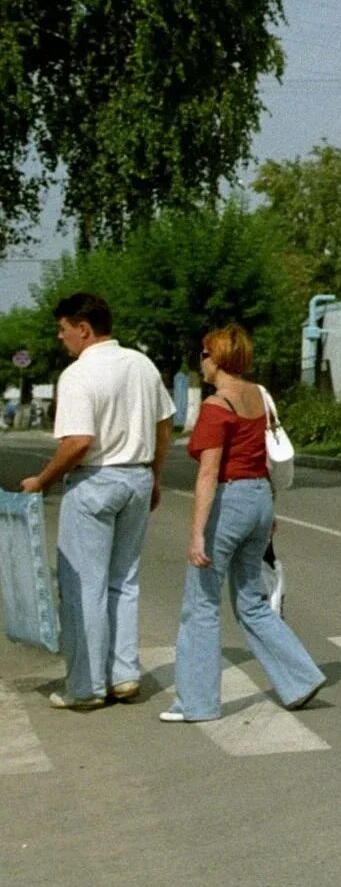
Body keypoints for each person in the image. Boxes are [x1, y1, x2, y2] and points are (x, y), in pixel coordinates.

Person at [163, 324, 324, 723]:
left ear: (216, 358)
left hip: (230, 499)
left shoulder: (218, 406)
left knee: (200, 606)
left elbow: (207, 474)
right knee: (251, 601)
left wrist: (197, 533)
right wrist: (267, 512)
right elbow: (266, 457)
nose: (201, 361)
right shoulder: (257, 396)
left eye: (203, 354)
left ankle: (197, 704)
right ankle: (301, 677)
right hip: (259, 499)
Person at [20, 293, 169, 709]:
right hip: (138, 477)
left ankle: (85, 686)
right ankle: (124, 675)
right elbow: (164, 427)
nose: (60, 337)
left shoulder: (79, 374)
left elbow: (79, 442)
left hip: (95, 482)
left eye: (63, 330)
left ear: (83, 329)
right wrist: (153, 476)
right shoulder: (142, 365)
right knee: (124, 581)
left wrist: (43, 480)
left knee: (84, 587)